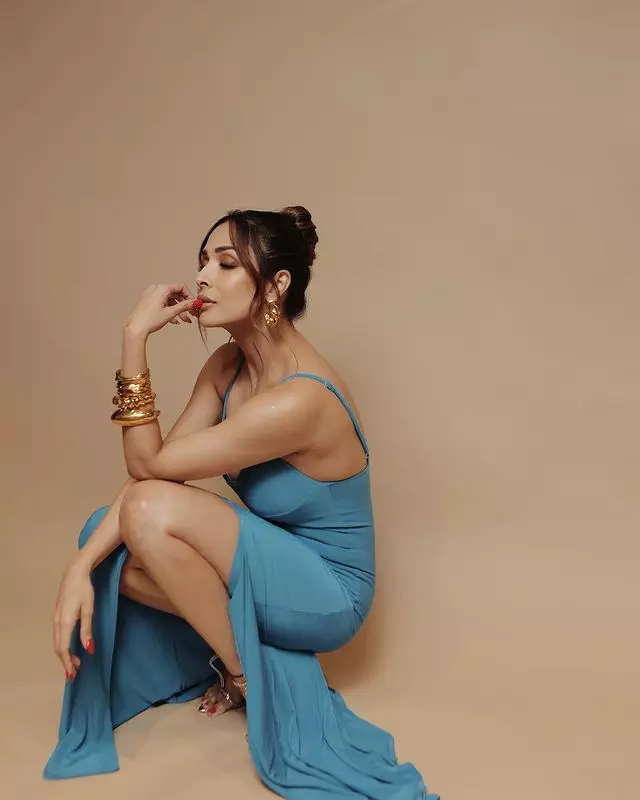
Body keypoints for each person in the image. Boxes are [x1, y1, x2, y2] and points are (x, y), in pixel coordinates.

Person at [44, 206, 438, 799]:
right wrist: (80, 567)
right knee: (104, 539)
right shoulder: (227, 366)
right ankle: (249, 654)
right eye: (203, 261)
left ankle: (247, 676)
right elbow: (155, 471)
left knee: (143, 514)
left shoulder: (301, 400)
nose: (203, 276)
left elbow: (148, 470)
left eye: (226, 264)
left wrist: (133, 339)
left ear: (275, 285)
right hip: (270, 563)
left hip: (328, 592)